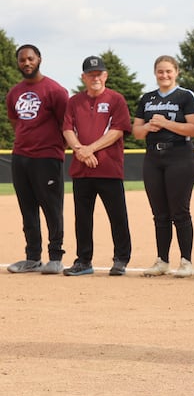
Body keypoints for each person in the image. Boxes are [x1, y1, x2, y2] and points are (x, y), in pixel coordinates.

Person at [62, 56, 134, 276]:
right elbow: (67, 129)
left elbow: (117, 131)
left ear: (106, 75)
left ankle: (121, 259)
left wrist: (88, 149)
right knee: (82, 218)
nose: (96, 77)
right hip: (82, 169)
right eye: (91, 74)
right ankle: (83, 261)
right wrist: (80, 151)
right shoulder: (74, 101)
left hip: (109, 169)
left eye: (99, 73)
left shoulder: (116, 99)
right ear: (84, 77)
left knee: (117, 216)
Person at [133, 55, 194, 278]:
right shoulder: (147, 98)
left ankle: (186, 261)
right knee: (159, 213)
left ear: (176, 72)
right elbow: (136, 132)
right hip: (153, 156)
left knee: (180, 211)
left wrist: (165, 123)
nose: (164, 75)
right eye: (160, 71)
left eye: (168, 71)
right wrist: (148, 128)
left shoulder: (185, 96)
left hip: (179, 155)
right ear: (155, 73)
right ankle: (162, 260)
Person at [5, 44, 69, 275]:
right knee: (27, 208)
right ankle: (32, 257)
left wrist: (51, 147)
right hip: (21, 157)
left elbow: (66, 126)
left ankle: (55, 256)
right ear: (18, 63)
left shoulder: (56, 91)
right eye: (22, 60)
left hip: (48, 157)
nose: (27, 63)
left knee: (52, 207)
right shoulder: (14, 93)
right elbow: (16, 122)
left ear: (39, 59)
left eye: (30, 58)